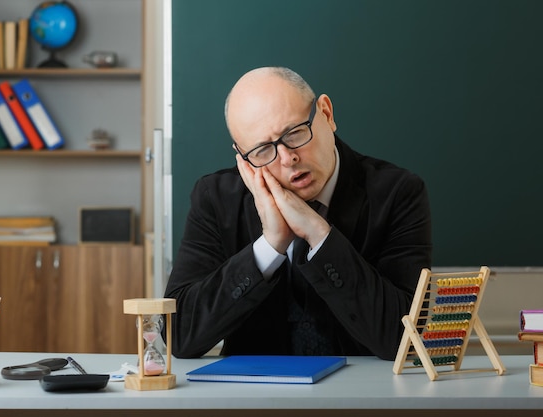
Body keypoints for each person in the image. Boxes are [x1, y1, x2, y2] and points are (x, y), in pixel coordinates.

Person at [164, 67, 432, 360]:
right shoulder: (215, 198)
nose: (288, 158)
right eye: (263, 150)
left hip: (361, 398)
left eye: (294, 133)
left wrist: (319, 235)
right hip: (254, 399)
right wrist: (269, 246)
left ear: (326, 114)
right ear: (243, 158)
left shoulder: (397, 192)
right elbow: (178, 335)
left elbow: (405, 338)